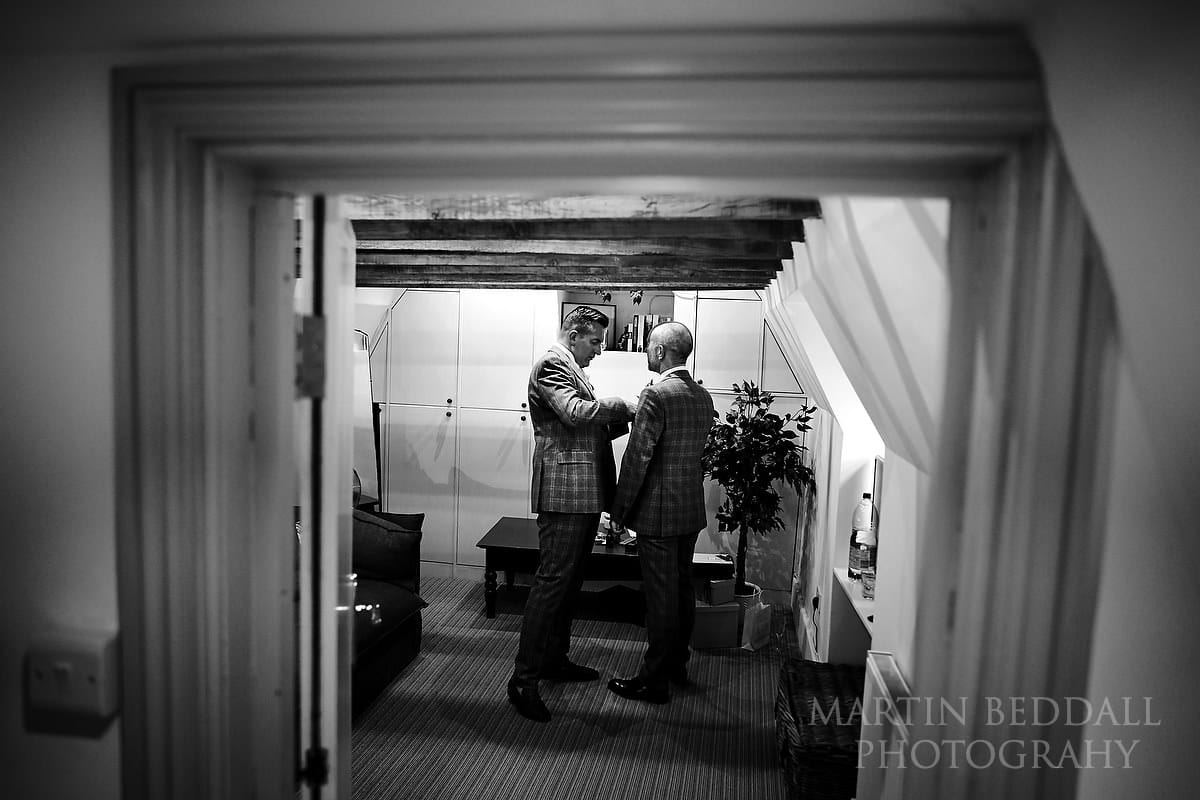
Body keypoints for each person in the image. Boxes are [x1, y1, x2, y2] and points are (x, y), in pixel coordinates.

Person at [507, 305, 637, 722]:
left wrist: (624, 418)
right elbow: (576, 413)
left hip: (581, 491)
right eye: (595, 341)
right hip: (564, 492)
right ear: (574, 333)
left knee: (568, 583)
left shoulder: (571, 367)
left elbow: (586, 424)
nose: (599, 350)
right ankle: (523, 680)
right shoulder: (551, 364)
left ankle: (554, 660)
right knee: (551, 584)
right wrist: (623, 405)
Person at [607, 321, 714, 705]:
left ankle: (653, 681)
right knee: (682, 590)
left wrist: (619, 510)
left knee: (660, 598)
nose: (647, 353)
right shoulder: (703, 396)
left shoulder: (656, 396)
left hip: (659, 514)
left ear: (660, 352)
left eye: (650, 347)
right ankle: (677, 665)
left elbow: (638, 457)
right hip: (689, 511)